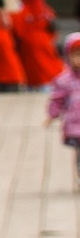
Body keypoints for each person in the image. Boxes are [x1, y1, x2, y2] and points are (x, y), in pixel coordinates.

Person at [5, 0, 64, 88]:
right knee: (45, 64)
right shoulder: (41, 8)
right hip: (40, 40)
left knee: (41, 65)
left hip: (33, 39)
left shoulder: (26, 7)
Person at [47, 34, 80, 191]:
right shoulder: (64, 80)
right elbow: (57, 99)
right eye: (77, 54)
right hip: (75, 124)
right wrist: (52, 115)